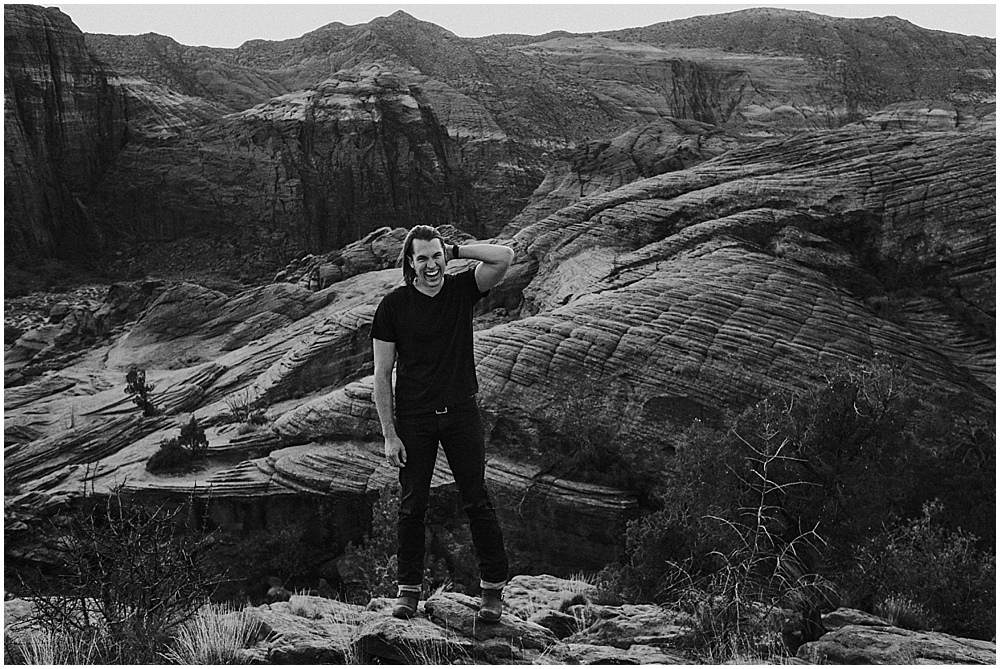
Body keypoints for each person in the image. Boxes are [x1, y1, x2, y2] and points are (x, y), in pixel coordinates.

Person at [370, 225, 515, 622]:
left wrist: (454, 250)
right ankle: (408, 592)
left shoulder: (461, 289)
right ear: (409, 263)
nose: (431, 265)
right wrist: (389, 434)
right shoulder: (393, 307)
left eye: (436, 256)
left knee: (477, 501)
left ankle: (492, 592)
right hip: (415, 419)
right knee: (412, 507)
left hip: (461, 413)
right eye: (422, 258)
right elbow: (382, 376)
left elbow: (504, 256)